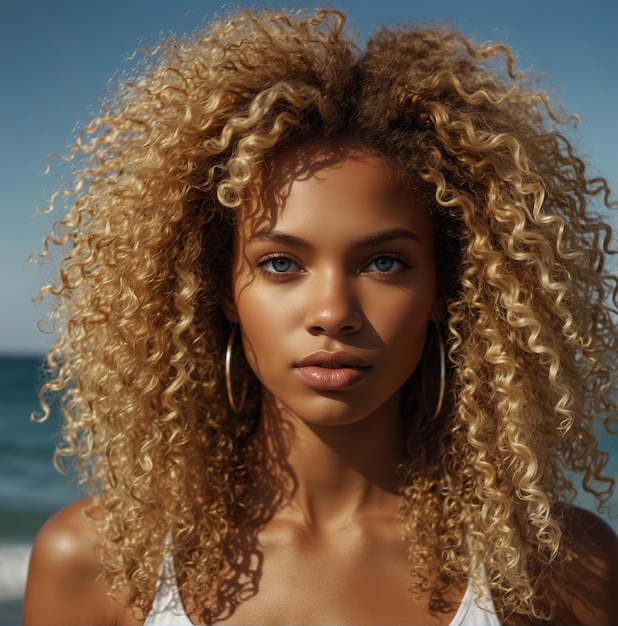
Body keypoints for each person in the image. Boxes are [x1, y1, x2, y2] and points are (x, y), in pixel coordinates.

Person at [22, 8, 618, 625]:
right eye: (281, 264)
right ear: (221, 288)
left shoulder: (560, 569)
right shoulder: (99, 564)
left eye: (385, 263)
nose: (333, 313)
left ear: (448, 287)